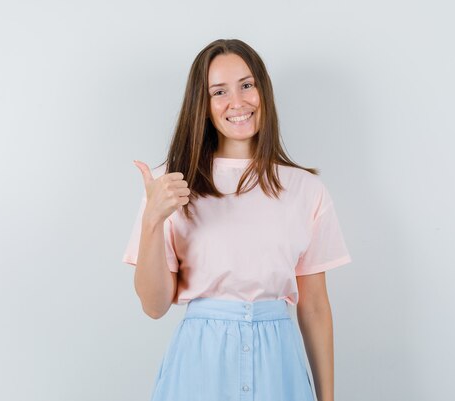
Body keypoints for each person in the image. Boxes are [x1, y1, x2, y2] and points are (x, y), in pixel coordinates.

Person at [122, 38, 352, 401]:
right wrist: (153, 221)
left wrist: (328, 398)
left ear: (263, 89)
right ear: (203, 105)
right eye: (219, 92)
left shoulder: (306, 189)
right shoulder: (170, 185)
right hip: (198, 369)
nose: (238, 102)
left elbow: (316, 307)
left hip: (281, 368)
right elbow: (154, 306)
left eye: (247, 85)